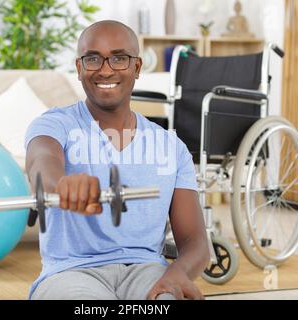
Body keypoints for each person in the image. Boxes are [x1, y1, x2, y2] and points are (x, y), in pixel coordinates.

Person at [25, 20, 210, 300]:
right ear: (79, 68)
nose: (106, 69)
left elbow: (195, 242)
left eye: (119, 58)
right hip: (71, 273)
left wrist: (178, 273)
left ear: (136, 67)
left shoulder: (171, 146)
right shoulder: (54, 124)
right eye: (93, 59)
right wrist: (60, 184)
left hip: (147, 272)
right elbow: (42, 160)